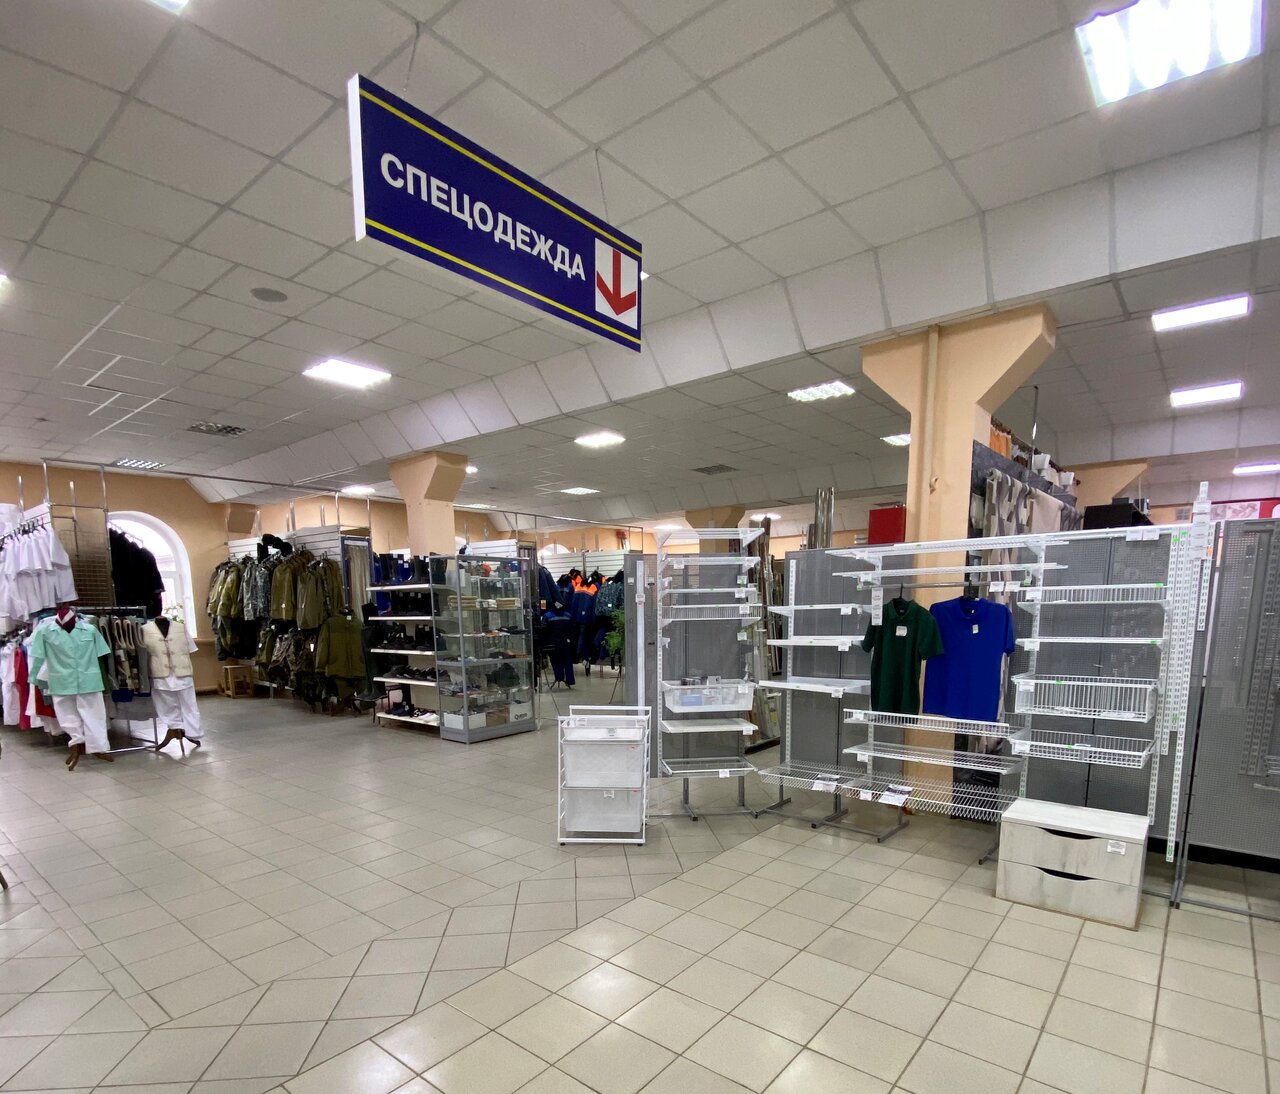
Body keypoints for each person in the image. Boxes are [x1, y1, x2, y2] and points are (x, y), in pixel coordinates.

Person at [542, 600, 576, 688]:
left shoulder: (548, 616)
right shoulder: (568, 616)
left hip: (553, 643)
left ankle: (559, 676)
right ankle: (570, 680)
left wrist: (544, 645)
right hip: (566, 643)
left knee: (555, 660)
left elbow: (543, 632)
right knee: (568, 661)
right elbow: (572, 632)